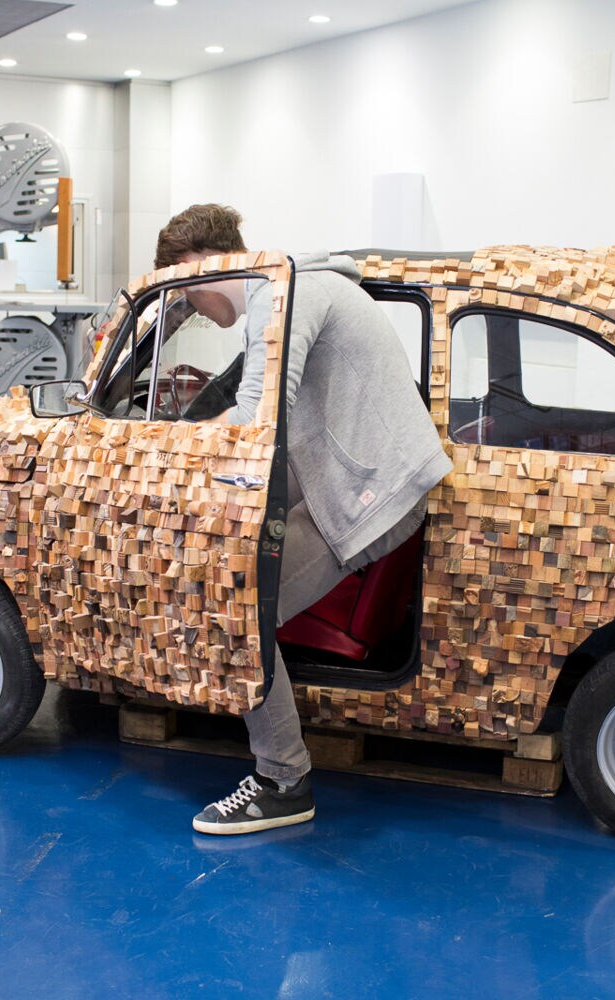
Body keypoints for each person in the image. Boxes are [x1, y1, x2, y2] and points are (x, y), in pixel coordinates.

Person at [154, 204, 453, 835]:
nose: (192, 308)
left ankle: (283, 782)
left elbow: (258, 419)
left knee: (240, 617)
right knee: (236, 584)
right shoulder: (293, 288)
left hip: (368, 491)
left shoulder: (284, 298)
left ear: (200, 266)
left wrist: (168, 449)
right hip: (355, 475)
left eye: (184, 289)